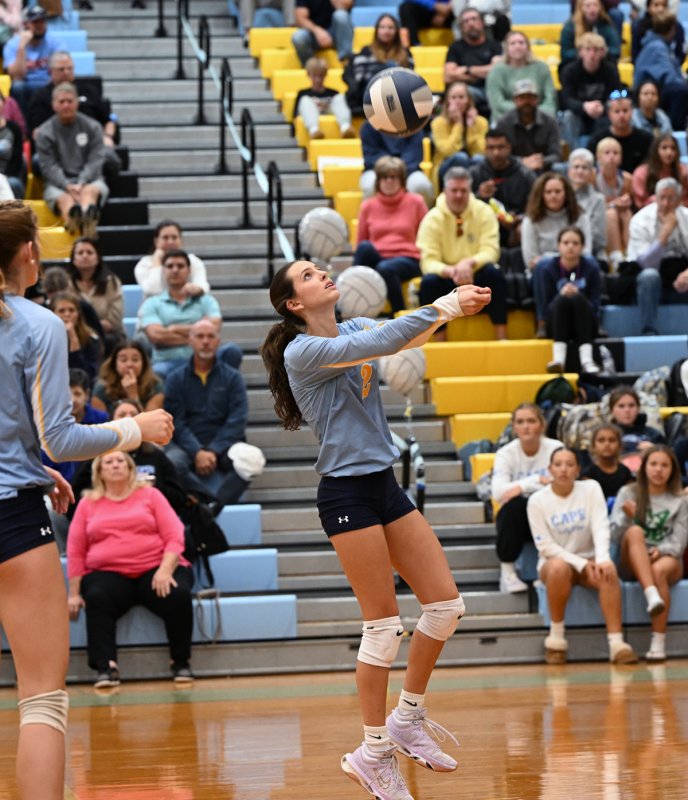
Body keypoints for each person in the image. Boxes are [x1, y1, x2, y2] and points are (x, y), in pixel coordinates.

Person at [261, 259, 491, 799]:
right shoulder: (304, 351)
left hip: (383, 484)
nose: (322, 275)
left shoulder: (359, 329)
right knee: (383, 627)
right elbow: (390, 340)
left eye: (320, 269)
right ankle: (372, 753)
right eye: (309, 275)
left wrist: (450, 312)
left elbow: (395, 333)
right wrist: (447, 305)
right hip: (344, 494)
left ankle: (407, 718)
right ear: (294, 304)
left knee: (445, 606)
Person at [0, 199, 173, 800]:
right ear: (28, 253)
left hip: (20, 488)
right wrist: (138, 429)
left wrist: (35, 467)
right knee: (42, 701)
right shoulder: (39, 323)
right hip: (12, 519)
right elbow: (60, 437)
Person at [66, 450, 194, 687]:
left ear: (130, 468)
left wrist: (165, 570)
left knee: (178, 593)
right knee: (96, 596)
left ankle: (180, 661)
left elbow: (175, 535)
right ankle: (106, 667)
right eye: (109, 462)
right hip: (109, 573)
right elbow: (75, 549)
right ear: (99, 471)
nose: (115, 465)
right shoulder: (87, 503)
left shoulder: (151, 495)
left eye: (120, 461)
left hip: (155, 568)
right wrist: (73, 593)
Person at [527, 447, 637, 664]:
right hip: (554, 564)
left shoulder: (591, 488)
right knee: (558, 567)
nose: (563, 469)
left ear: (578, 469)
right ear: (550, 469)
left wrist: (603, 558)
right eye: (558, 465)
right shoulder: (537, 500)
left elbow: (601, 526)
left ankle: (617, 644)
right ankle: (556, 640)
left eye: (569, 464)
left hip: (590, 560)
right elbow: (545, 546)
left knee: (608, 571)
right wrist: (581, 563)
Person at [164, 319, 263, 515]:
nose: (205, 342)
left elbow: (237, 420)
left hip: (225, 444)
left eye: (210, 337)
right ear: (190, 342)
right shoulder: (175, 378)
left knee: (253, 459)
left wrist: (213, 450)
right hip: (185, 445)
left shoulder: (232, 377)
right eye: (200, 337)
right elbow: (177, 422)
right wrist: (198, 451)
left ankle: (214, 508)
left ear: (218, 342)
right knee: (170, 464)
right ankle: (204, 501)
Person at [610, 444, 687, 661]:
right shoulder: (628, 492)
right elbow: (614, 536)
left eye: (665, 465)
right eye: (654, 464)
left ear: (673, 470)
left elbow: (679, 543)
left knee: (658, 569)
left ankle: (658, 643)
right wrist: (628, 517)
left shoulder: (681, 499)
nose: (658, 470)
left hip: (666, 559)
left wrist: (658, 550)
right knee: (634, 531)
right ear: (644, 468)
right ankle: (651, 594)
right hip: (630, 559)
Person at [416, 166, 508, 340]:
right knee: (428, 283)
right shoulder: (431, 218)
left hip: (476, 274)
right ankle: (440, 340)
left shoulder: (484, 211)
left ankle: (501, 337)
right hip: (447, 277)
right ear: (445, 191)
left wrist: (469, 263)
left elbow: (492, 250)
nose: (458, 195)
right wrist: (452, 271)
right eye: (454, 190)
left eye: (463, 191)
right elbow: (427, 262)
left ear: (470, 191)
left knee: (494, 274)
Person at [491, 403, 562, 593]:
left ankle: (546, 569)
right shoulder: (506, 453)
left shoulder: (556, 448)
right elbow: (498, 493)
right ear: (514, 427)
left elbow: (563, 483)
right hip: (521, 519)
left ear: (542, 424)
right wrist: (535, 481)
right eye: (520, 422)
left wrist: (518, 487)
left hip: (551, 512)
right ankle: (508, 574)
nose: (526, 426)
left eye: (531, 421)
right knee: (512, 506)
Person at [138, 249, 233, 379]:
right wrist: (199, 335)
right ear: (163, 271)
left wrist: (173, 329)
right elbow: (157, 336)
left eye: (180, 266)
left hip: (206, 359)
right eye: (170, 266)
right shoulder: (151, 303)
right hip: (168, 361)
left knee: (232, 351)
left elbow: (214, 328)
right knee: (158, 371)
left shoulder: (206, 300)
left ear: (189, 271)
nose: (175, 270)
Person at [26, 51, 120, 181]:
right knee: (38, 161)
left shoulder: (88, 90)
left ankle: (99, 193)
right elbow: (36, 132)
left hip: (90, 147)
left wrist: (107, 136)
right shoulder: (40, 97)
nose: (66, 72)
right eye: (61, 69)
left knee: (111, 159)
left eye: (70, 68)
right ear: (51, 71)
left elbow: (109, 120)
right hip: (57, 152)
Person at [521, 172, 593, 336]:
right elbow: (531, 260)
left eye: (558, 191)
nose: (553, 196)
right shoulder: (531, 219)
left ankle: (595, 319)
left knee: (592, 263)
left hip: (576, 267)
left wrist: (561, 258)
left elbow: (586, 250)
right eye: (549, 192)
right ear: (542, 194)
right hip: (543, 274)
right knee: (542, 265)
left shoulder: (580, 216)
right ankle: (543, 323)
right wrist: (561, 259)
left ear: (566, 193)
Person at [353, 156, 427, 313]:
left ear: (401, 180)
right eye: (384, 177)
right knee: (364, 248)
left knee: (385, 268)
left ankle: (398, 314)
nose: (389, 181)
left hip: (409, 259)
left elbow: (427, 237)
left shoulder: (416, 202)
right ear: (378, 181)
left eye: (393, 177)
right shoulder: (368, 206)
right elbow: (360, 242)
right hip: (378, 258)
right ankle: (352, 306)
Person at [35, 82, 109, 237]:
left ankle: (86, 221)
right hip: (58, 184)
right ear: (54, 105)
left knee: (90, 193)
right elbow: (48, 166)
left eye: (70, 101)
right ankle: (79, 230)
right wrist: (68, 186)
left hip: (90, 181)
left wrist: (81, 182)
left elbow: (96, 160)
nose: (66, 105)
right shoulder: (44, 133)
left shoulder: (93, 127)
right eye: (61, 102)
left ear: (77, 102)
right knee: (65, 201)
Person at [627, 177, 688, 335]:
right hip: (652, 275)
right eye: (662, 198)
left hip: (681, 274)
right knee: (649, 276)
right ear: (655, 197)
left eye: (671, 198)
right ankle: (648, 330)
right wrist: (665, 232)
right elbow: (645, 263)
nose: (666, 204)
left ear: (679, 200)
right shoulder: (640, 220)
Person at [540, 227, 601, 374]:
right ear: (558, 245)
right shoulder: (548, 269)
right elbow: (546, 308)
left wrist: (577, 295)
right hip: (557, 323)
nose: (570, 247)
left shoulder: (592, 269)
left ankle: (587, 360)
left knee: (577, 297)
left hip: (585, 323)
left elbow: (595, 305)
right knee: (562, 299)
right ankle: (559, 360)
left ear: (582, 247)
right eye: (566, 242)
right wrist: (560, 295)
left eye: (575, 243)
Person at [470, 127, 536, 248]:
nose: (496, 152)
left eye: (500, 147)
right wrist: (479, 196)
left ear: (509, 148)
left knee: (526, 228)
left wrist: (519, 219)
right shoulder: (474, 174)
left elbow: (536, 206)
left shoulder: (526, 174)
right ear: (485, 149)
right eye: (491, 148)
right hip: (483, 224)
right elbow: (463, 207)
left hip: (517, 225)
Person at [559, 33, 620, 149]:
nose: (592, 54)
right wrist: (584, 106)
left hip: (602, 113)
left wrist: (604, 106)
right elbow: (566, 99)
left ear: (602, 52)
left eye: (596, 50)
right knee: (568, 117)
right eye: (588, 49)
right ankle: (575, 155)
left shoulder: (610, 70)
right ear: (581, 52)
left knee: (614, 114)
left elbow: (615, 95)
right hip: (578, 114)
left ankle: (602, 154)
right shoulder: (570, 71)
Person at [344, 14, 413, 116]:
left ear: (396, 31)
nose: (386, 31)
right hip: (370, 93)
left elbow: (411, 78)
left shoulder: (405, 52)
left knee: (392, 69)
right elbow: (359, 80)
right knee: (389, 67)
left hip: (398, 93)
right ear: (377, 31)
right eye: (382, 27)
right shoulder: (366, 51)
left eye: (390, 28)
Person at [3, 5, 64, 114]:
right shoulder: (13, 45)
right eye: (35, 22)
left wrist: (50, 84)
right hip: (26, 83)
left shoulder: (55, 42)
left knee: (62, 86)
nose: (40, 26)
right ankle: (24, 128)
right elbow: (17, 76)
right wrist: (21, 48)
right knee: (17, 87)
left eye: (42, 22)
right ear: (26, 24)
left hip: (48, 83)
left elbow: (61, 70)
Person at [634, 10, 688, 130]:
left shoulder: (660, 44)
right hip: (648, 90)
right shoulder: (656, 47)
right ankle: (676, 131)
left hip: (658, 87)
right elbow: (669, 78)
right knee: (681, 91)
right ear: (671, 30)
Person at [494, 79, 561, 176]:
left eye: (530, 97)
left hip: (543, 170)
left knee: (559, 168)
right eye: (522, 97)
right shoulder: (503, 123)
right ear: (515, 100)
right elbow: (499, 153)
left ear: (537, 99)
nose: (526, 101)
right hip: (512, 170)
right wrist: (522, 161)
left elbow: (556, 154)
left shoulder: (550, 122)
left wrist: (541, 161)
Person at [67, 237, 124, 349]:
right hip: (74, 334)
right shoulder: (67, 284)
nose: (85, 256)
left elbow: (114, 320)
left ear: (98, 258)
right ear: (73, 259)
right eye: (80, 253)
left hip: (108, 335)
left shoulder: (111, 282)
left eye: (89, 252)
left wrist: (87, 327)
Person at [485, 31, 558, 120]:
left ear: (528, 46)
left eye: (521, 42)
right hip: (506, 120)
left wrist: (535, 114)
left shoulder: (542, 68)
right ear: (506, 48)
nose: (517, 46)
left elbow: (550, 98)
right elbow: (497, 103)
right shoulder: (496, 71)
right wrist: (525, 112)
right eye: (513, 43)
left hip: (540, 119)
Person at [359, 121, 434, 207]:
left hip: (408, 171)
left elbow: (414, 155)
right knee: (370, 185)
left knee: (421, 185)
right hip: (377, 172)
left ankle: (423, 219)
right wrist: (390, 169)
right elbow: (371, 157)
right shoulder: (368, 127)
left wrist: (397, 172)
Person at [134, 219, 210, 300]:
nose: (170, 242)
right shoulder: (144, 264)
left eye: (174, 237)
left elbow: (203, 287)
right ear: (156, 241)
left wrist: (195, 289)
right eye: (165, 238)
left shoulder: (194, 261)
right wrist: (156, 262)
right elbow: (153, 291)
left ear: (180, 240)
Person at [431, 80, 487, 188]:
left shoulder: (481, 122)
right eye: (453, 98)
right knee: (460, 157)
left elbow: (482, 152)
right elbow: (448, 151)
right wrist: (458, 124)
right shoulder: (438, 123)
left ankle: (474, 194)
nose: (457, 101)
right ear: (447, 101)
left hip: (472, 166)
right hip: (445, 167)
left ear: (469, 100)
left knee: (479, 160)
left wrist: (472, 128)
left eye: (461, 97)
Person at [443, 7, 502, 109]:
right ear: (461, 27)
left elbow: (496, 70)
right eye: (466, 21)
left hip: (490, 89)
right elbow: (448, 76)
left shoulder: (495, 45)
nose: (470, 23)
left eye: (474, 19)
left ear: (482, 23)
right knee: (459, 93)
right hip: (467, 90)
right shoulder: (455, 47)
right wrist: (482, 74)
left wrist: (468, 70)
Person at [587, 89, 654, 174]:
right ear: (609, 114)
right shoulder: (597, 140)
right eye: (617, 111)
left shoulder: (646, 139)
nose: (621, 115)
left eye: (625, 111)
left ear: (632, 112)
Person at [91, 339, 165, 415]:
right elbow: (100, 422)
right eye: (123, 360)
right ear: (114, 364)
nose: (129, 364)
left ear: (144, 363)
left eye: (135, 360)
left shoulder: (154, 385)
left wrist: (133, 396)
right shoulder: (102, 387)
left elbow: (152, 422)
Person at [595, 137, 633, 270]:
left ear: (621, 157)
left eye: (615, 153)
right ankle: (615, 256)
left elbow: (629, 201)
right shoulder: (593, 177)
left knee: (626, 213)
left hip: (620, 214)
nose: (611, 157)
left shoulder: (627, 178)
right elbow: (593, 204)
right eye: (607, 153)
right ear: (598, 157)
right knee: (611, 213)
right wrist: (612, 204)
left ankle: (630, 253)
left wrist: (625, 202)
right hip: (600, 215)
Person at [607, 386, 665, 471]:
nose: (627, 410)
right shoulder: (606, 435)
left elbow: (667, 458)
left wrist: (654, 450)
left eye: (631, 405)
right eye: (621, 406)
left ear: (638, 408)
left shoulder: (653, 434)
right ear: (612, 410)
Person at [295, 56, 354, 140]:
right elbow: (294, 115)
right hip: (310, 118)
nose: (318, 80)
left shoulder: (334, 93)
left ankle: (345, 127)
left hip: (330, 111)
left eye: (321, 76)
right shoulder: (303, 93)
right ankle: (314, 130)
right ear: (308, 75)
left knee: (340, 97)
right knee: (305, 100)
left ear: (325, 75)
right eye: (314, 76)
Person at [50, 290, 103, 382]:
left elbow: (88, 374)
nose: (67, 314)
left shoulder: (91, 338)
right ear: (52, 314)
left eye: (71, 310)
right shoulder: (45, 338)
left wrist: (73, 339)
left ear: (78, 313)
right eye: (61, 311)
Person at [567, 148, 607, 264]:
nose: (580, 171)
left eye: (585, 168)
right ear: (569, 171)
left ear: (591, 173)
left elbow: (599, 238)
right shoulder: (561, 197)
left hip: (592, 255)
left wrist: (575, 246)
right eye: (576, 167)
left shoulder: (598, 200)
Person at [560, 0, 621, 70]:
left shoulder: (606, 25)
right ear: (581, 8)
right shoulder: (570, 27)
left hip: (602, 67)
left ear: (600, 7)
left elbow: (616, 51)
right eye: (588, 6)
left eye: (595, 5)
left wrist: (601, 52)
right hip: (576, 67)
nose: (592, 9)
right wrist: (582, 53)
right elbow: (565, 53)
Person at [632, 133, 688, 209]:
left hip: (678, 211)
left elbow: (685, 200)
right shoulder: (641, 173)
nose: (669, 152)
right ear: (655, 150)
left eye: (673, 148)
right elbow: (640, 203)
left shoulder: (683, 171)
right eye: (664, 148)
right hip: (649, 213)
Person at [291, 0, 353, 67]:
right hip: (313, 33)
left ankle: (347, 60)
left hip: (338, 33)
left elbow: (345, 7)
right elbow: (300, 18)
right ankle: (311, 68)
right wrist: (317, 31)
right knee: (298, 37)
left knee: (341, 15)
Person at [581, 423, 633, 502]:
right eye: (601, 440)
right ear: (593, 446)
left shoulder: (626, 473)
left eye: (612, 440)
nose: (607, 444)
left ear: (620, 446)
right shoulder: (587, 474)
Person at [0, 89, 25, 198]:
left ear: (3, 102)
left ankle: (15, 214)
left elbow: (17, 160)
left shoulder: (14, 129)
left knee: (14, 184)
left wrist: (4, 177)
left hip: (8, 175)